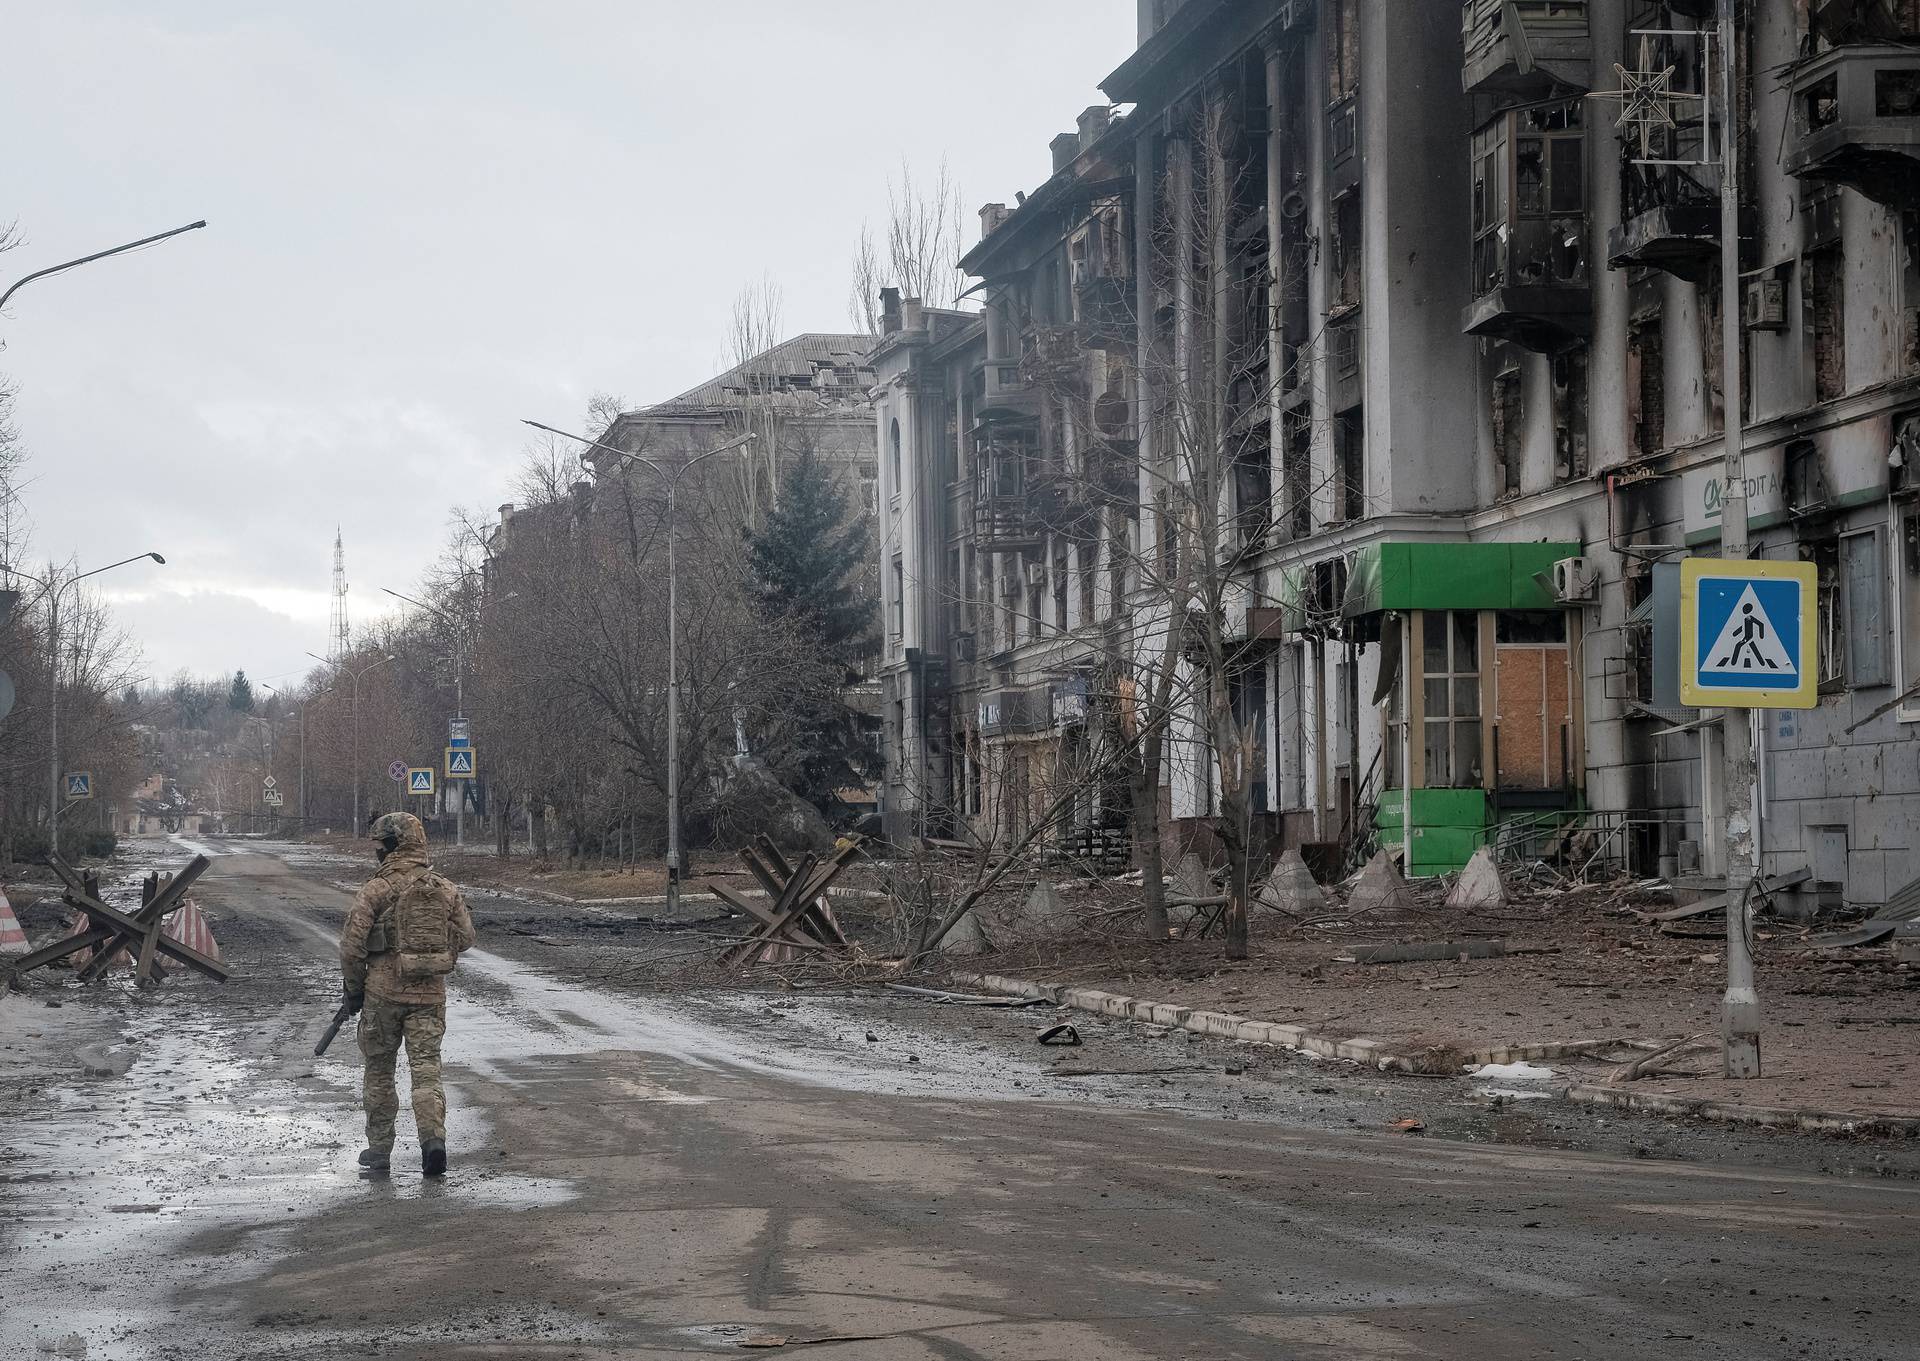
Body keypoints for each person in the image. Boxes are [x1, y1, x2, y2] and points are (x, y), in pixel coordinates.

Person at [339, 811, 475, 1175]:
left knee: (380, 1070)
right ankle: (433, 1142)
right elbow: (466, 938)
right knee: (427, 1070)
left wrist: (353, 991)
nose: (377, 853)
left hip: (381, 996)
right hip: (429, 996)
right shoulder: (443, 888)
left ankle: (380, 1150)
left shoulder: (376, 889)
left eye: (379, 845)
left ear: (391, 846)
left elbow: (351, 947)